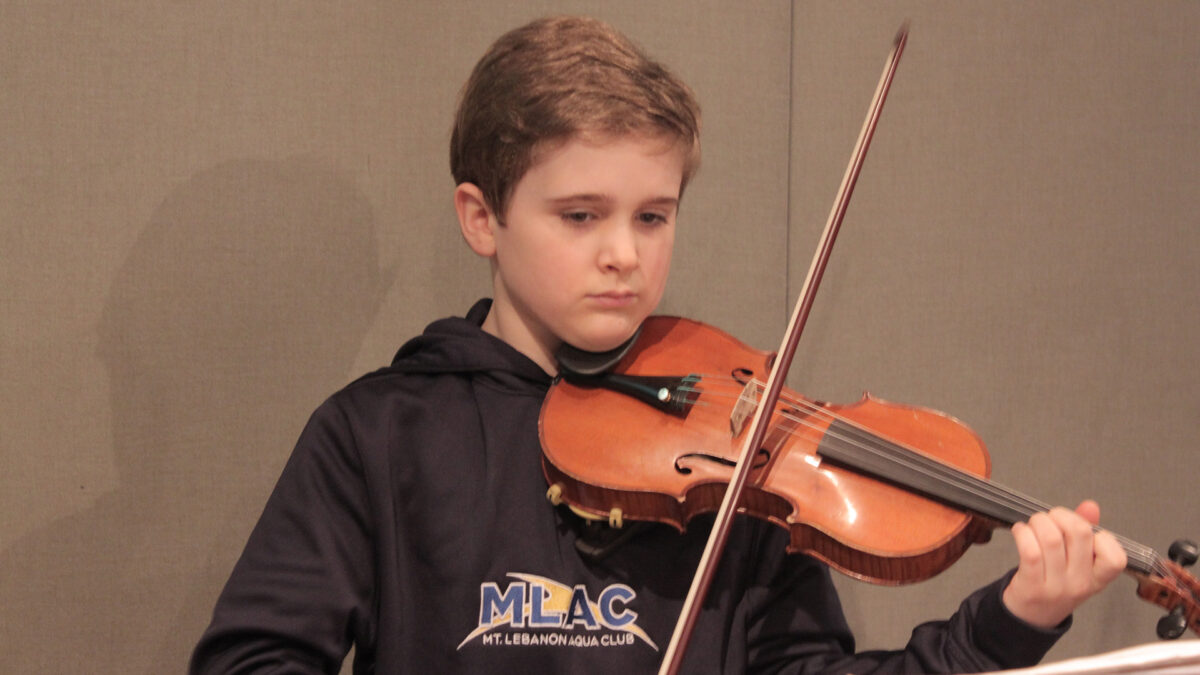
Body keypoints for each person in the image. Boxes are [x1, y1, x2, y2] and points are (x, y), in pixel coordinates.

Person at [190, 16, 1126, 674]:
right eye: (580, 214)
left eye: (653, 215)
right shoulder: (380, 433)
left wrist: (1005, 623)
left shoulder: (742, 446)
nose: (623, 255)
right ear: (482, 217)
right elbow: (251, 659)